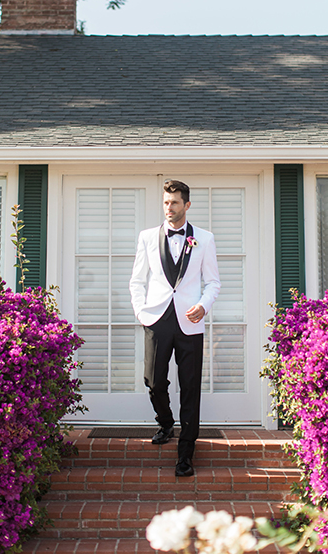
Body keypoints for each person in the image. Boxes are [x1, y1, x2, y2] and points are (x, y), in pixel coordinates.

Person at [129, 179, 220, 477]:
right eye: (166, 203)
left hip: (190, 323)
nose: (169, 208)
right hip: (157, 319)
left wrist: (203, 305)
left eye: (175, 203)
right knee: (154, 380)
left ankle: (185, 454)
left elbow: (214, 282)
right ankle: (166, 422)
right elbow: (137, 280)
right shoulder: (146, 237)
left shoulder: (204, 239)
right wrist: (142, 312)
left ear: (187, 205)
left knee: (191, 388)